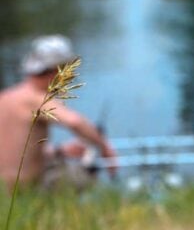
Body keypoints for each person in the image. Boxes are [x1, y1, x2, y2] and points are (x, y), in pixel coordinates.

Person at [0, 35, 117, 192]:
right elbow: (75, 122)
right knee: (86, 173)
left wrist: (59, 151)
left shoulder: (7, 97)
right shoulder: (36, 98)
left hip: (3, 189)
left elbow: (14, 149)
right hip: (23, 190)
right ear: (58, 70)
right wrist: (105, 148)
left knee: (58, 163)